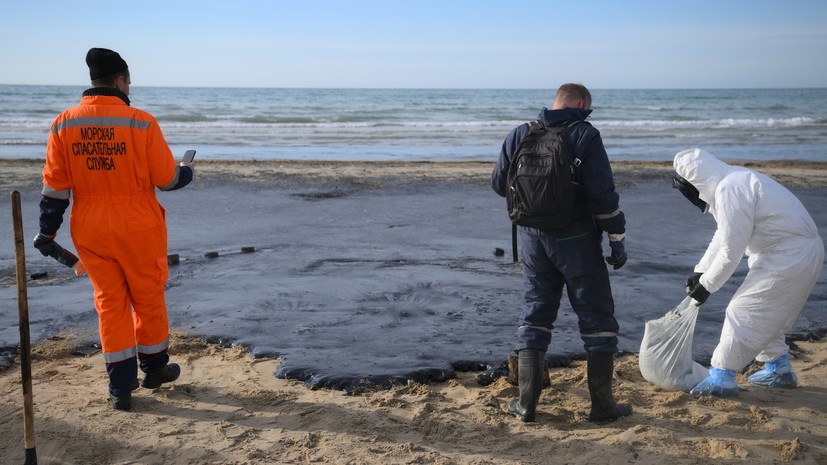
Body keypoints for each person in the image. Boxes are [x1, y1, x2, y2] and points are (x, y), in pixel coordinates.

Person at [35, 48, 195, 411]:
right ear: (121, 80)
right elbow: (166, 179)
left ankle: (121, 387)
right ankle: (154, 369)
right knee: (147, 296)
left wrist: (48, 232)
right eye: (129, 82)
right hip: (138, 226)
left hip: (89, 227)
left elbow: (55, 190)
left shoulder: (64, 124)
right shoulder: (140, 122)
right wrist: (186, 170)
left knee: (110, 304)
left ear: (94, 82)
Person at [491, 83, 632, 423]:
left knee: (535, 314)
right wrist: (617, 237)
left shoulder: (521, 133)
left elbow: (499, 184)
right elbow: (602, 195)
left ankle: (526, 406)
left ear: (556, 101)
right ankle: (602, 407)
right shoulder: (585, 134)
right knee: (597, 318)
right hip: (577, 239)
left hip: (532, 241)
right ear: (582, 104)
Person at [673, 148, 824, 397]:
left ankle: (722, 377)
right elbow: (722, 234)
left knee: (743, 310)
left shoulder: (730, 189)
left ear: (696, 180)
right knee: (769, 315)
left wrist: (706, 287)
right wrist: (700, 271)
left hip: (790, 255)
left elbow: (732, 251)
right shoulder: (732, 181)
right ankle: (779, 368)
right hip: (792, 253)